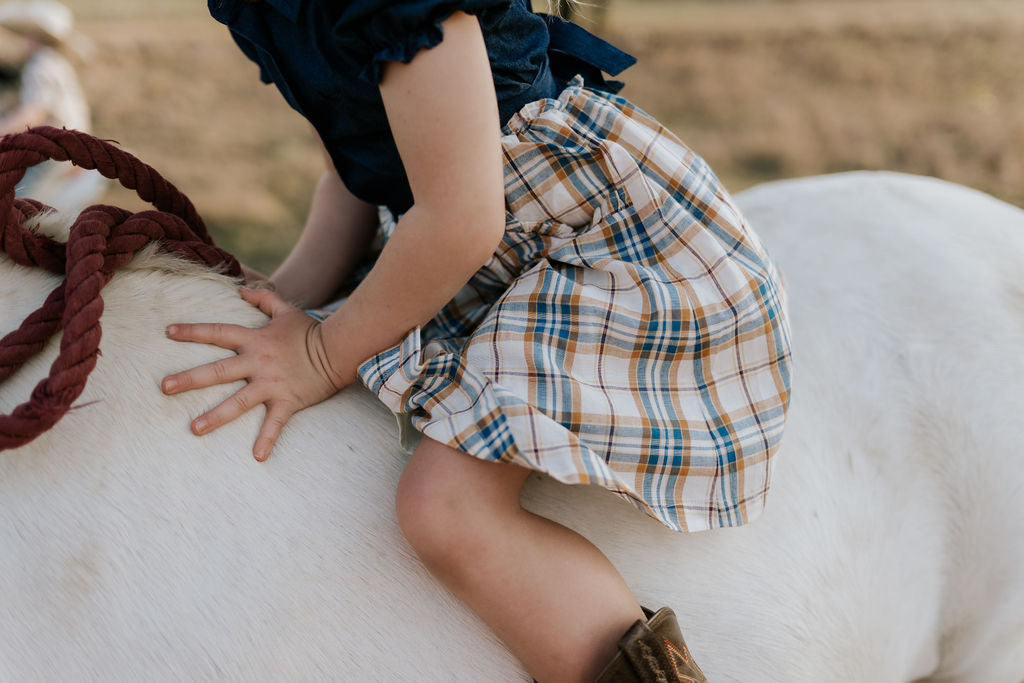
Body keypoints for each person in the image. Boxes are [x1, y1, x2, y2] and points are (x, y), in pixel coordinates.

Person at [161, 1, 793, 680]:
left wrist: (319, 354)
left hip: (602, 254)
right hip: (479, 239)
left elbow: (462, 220)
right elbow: (360, 170)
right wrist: (287, 298)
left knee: (446, 509)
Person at [0, 0, 103, 210]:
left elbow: (32, 113)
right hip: (71, 146)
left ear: (35, 37)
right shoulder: (56, 63)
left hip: (55, 152)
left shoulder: (40, 66)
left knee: (19, 208)